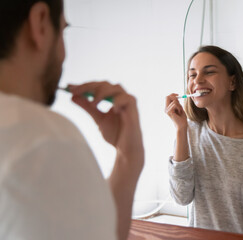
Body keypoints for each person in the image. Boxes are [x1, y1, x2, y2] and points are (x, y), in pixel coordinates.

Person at [0, 1, 144, 240]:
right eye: (63, 30)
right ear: (41, 22)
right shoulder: (45, 140)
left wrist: (128, 160)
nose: (64, 53)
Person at [165, 45, 243, 239]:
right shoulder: (189, 134)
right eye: (192, 75)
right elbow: (181, 196)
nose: (198, 80)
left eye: (209, 72)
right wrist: (180, 130)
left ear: (233, 82)